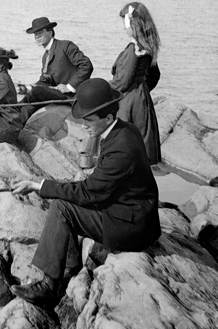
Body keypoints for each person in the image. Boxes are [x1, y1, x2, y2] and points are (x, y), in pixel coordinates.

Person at [9, 78, 161, 309]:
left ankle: (50, 286)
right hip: (138, 214)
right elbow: (105, 183)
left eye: (89, 119)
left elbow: (90, 193)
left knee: (62, 207)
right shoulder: (125, 130)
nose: (84, 125)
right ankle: (67, 265)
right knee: (67, 201)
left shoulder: (120, 147)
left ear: (108, 118)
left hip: (132, 227)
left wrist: (39, 185)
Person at [109, 2, 162, 165]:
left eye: (124, 24)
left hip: (128, 101)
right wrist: (142, 90)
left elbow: (122, 82)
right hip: (140, 99)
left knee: (125, 141)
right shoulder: (147, 46)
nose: (123, 28)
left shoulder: (134, 48)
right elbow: (155, 75)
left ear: (133, 24)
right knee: (142, 141)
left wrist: (102, 90)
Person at [17, 17, 93, 123]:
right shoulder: (45, 56)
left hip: (73, 97)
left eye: (40, 33)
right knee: (29, 103)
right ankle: (16, 121)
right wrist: (27, 88)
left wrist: (69, 87)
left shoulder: (66, 46)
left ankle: (15, 110)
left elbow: (86, 66)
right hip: (59, 95)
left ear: (50, 31)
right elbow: (44, 81)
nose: (37, 37)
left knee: (36, 92)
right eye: (35, 34)